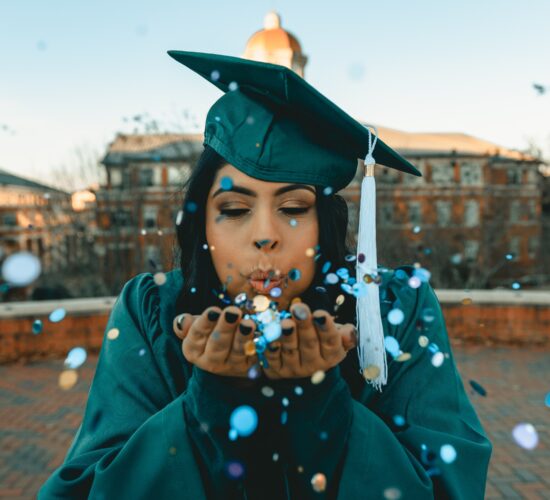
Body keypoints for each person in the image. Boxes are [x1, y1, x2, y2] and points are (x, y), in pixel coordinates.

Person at [39, 52, 492, 499]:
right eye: (234, 209)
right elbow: (89, 488)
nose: (264, 237)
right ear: (203, 225)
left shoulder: (392, 309)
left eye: (293, 208)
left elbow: (448, 487)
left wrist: (323, 407)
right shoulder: (153, 311)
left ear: (326, 224)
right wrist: (209, 402)